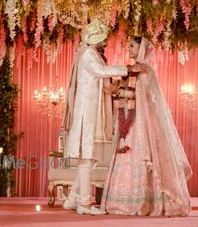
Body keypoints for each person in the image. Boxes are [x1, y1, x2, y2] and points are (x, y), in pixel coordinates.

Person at [61, 20, 146, 215]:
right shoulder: (89, 54)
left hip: (92, 111)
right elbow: (101, 72)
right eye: (103, 39)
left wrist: (114, 86)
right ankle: (84, 203)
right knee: (88, 156)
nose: (105, 42)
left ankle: (73, 198)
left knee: (90, 157)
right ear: (96, 39)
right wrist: (129, 68)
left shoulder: (91, 54)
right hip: (88, 113)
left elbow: (100, 77)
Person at [100, 37, 193, 216]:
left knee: (141, 153)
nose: (129, 48)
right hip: (129, 122)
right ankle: (122, 202)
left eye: (132, 46)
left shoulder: (146, 71)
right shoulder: (131, 71)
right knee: (126, 153)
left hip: (142, 123)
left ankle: (146, 202)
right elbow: (128, 94)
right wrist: (116, 91)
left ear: (142, 49)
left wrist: (124, 92)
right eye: (128, 45)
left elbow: (147, 98)